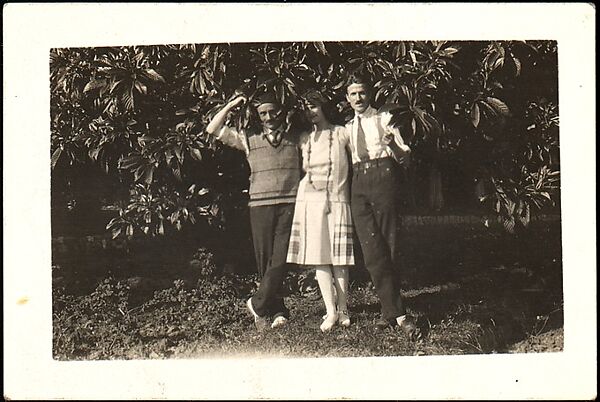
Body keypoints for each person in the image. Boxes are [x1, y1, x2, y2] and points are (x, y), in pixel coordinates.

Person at [205, 92, 301, 332]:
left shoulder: (297, 137)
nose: (269, 117)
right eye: (263, 113)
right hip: (260, 205)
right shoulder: (248, 138)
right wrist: (232, 104)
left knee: (282, 258)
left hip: (290, 202)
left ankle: (256, 303)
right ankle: (277, 310)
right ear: (257, 116)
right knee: (265, 261)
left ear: (282, 111)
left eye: (273, 111)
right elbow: (212, 128)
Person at [344, 73, 421, 341]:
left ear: (370, 94)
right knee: (371, 251)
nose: (358, 98)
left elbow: (405, 156)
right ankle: (395, 312)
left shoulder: (385, 119)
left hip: (384, 177)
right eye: (353, 94)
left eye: (362, 92)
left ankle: (392, 313)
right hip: (359, 184)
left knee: (390, 244)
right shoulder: (346, 129)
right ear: (347, 97)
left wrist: (393, 148)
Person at [286, 90, 354, 332]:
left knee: (340, 259)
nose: (310, 112)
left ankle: (344, 308)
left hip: (337, 200)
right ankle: (330, 311)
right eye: (306, 108)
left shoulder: (342, 133)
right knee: (319, 257)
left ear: (323, 107)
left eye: (314, 106)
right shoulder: (304, 138)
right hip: (310, 202)